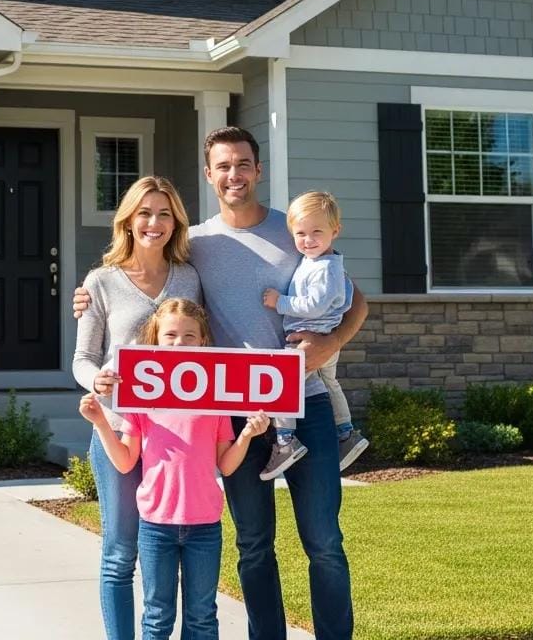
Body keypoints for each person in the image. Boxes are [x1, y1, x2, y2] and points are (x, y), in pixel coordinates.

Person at [75, 127, 366, 640]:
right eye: (223, 166)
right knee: (254, 544)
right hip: (240, 416)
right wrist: (90, 296)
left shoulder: (296, 229)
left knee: (323, 541)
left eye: (243, 164)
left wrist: (330, 343)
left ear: (258, 169)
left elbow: (354, 299)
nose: (234, 175)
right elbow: (157, 298)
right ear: (209, 175)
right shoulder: (198, 247)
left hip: (307, 402)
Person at [79, 299, 270, 640]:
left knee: (202, 617)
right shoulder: (142, 397)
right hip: (156, 528)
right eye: (170, 335)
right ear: (155, 340)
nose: (179, 342)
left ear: (203, 341)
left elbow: (225, 465)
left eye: (189, 335)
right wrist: (100, 423)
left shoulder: (215, 401)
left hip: (204, 528)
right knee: (157, 617)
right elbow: (125, 461)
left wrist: (246, 435)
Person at [72, 176, 202, 640]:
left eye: (164, 213)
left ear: (176, 222)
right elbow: (82, 359)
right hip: (120, 427)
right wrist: (96, 379)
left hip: (176, 439)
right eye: (145, 213)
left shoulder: (188, 276)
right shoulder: (100, 282)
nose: (154, 223)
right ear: (128, 220)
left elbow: (202, 350)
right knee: (120, 551)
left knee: (168, 548)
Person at [258, 190, 369, 480]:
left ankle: (285, 440)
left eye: (316, 232)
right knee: (330, 382)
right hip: (322, 334)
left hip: (311, 337)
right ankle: (346, 432)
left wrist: (279, 301)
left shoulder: (326, 269)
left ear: (336, 230)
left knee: (281, 386)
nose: (308, 240)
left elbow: (314, 305)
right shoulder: (322, 261)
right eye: (300, 233)